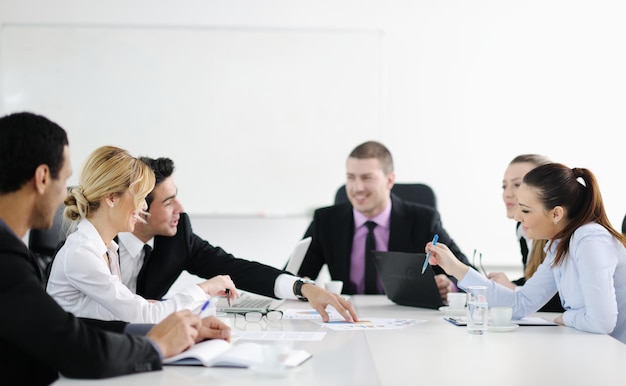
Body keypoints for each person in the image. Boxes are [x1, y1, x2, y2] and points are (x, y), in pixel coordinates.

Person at [0, 112, 230, 385]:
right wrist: (157, 343)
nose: (66, 195)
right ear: (42, 178)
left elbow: (82, 325)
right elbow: (75, 344)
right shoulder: (10, 261)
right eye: (64, 180)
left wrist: (173, 330)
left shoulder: (104, 249)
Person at [116, 156, 358, 323]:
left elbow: (237, 269)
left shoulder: (176, 237)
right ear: (139, 208)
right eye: (168, 202)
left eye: (176, 197)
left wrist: (302, 287)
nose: (180, 208)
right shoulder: (101, 239)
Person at [426, 163, 626, 343]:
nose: (516, 216)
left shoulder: (589, 240)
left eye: (526, 210)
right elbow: (520, 304)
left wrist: (566, 317)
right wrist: (455, 267)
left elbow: (601, 322)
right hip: (599, 350)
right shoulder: (559, 245)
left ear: (556, 213)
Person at [47, 146, 239, 323]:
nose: (144, 206)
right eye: (140, 197)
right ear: (112, 198)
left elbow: (110, 311)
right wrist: (204, 289)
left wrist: (153, 306)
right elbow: (144, 316)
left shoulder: (107, 249)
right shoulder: (82, 253)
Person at [297, 140, 473, 299]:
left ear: (390, 180)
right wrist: (303, 287)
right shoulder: (326, 221)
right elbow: (293, 279)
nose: (357, 187)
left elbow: (471, 277)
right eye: (351, 177)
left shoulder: (423, 220)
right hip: (346, 318)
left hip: (406, 320)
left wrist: (449, 286)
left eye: (367, 178)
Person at [487, 154, 564, 312]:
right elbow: (537, 281)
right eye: (504, 186)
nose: (507, 193)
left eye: (517, 185)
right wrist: (507, 287)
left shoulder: (561, 233)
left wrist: (513, 291)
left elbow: (562, 296)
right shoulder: (523, 228)